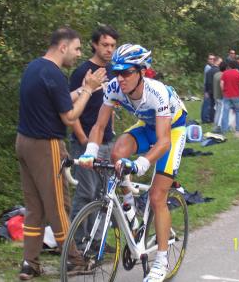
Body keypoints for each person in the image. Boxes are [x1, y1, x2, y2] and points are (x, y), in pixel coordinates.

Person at [79, 44, 187, 282]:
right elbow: (98, 126)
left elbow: (163, 142)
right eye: (117, 71)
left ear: (142, 71)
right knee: (117, 152)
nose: (121, 77)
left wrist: (142, 163)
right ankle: (129, 210)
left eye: (127, 72)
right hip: (146, 126)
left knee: (157, 196)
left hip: (171, 132)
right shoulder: (115, 88)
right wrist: (90, 152)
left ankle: (161, 262)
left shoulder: (157, 92)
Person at [15, 27, 106, 280]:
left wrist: (88, 89)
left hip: (23, 142)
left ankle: (29, 263)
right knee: (58, 206)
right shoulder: (53, 73)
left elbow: (60, 100)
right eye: (77, 48)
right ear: (63, 46)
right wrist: (87, 89)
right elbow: (68, 116)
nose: (78, 54)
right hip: (46, 145)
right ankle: (75, 260)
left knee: (34, 208)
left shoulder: (35, 67)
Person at [69, 26, 119, 244]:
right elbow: (70, 110)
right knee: (86, 193)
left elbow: (110, 104)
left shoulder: (113, 71)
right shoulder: (82, 72)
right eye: (105, 45)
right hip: (86, 142)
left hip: (107, 140)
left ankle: (97, 242)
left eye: (112, 46)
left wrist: (112, 130)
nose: (109, 50)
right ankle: (77, 245)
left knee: (103, 195)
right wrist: (82, 139)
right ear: (94, 45)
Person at [220, 60, 239, 133]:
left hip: (227, 95)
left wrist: (223, 92)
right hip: (236, 96)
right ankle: (238, 128)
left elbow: (221, 84)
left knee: (225, 112)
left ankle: (224, 129)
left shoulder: (225, 73)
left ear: (229, 66)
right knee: (238, 111)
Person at [201, 54, 215, 123]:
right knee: (206, 104)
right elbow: (207, 80)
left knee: (207, 103)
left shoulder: (210, 67)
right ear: (208, 60)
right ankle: (205, 119)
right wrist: (207, 91)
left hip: (208, 88)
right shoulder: (208, 68)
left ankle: (206, 118)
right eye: (210, 59)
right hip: (207, 88)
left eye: (213, 59)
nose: (212, 60)